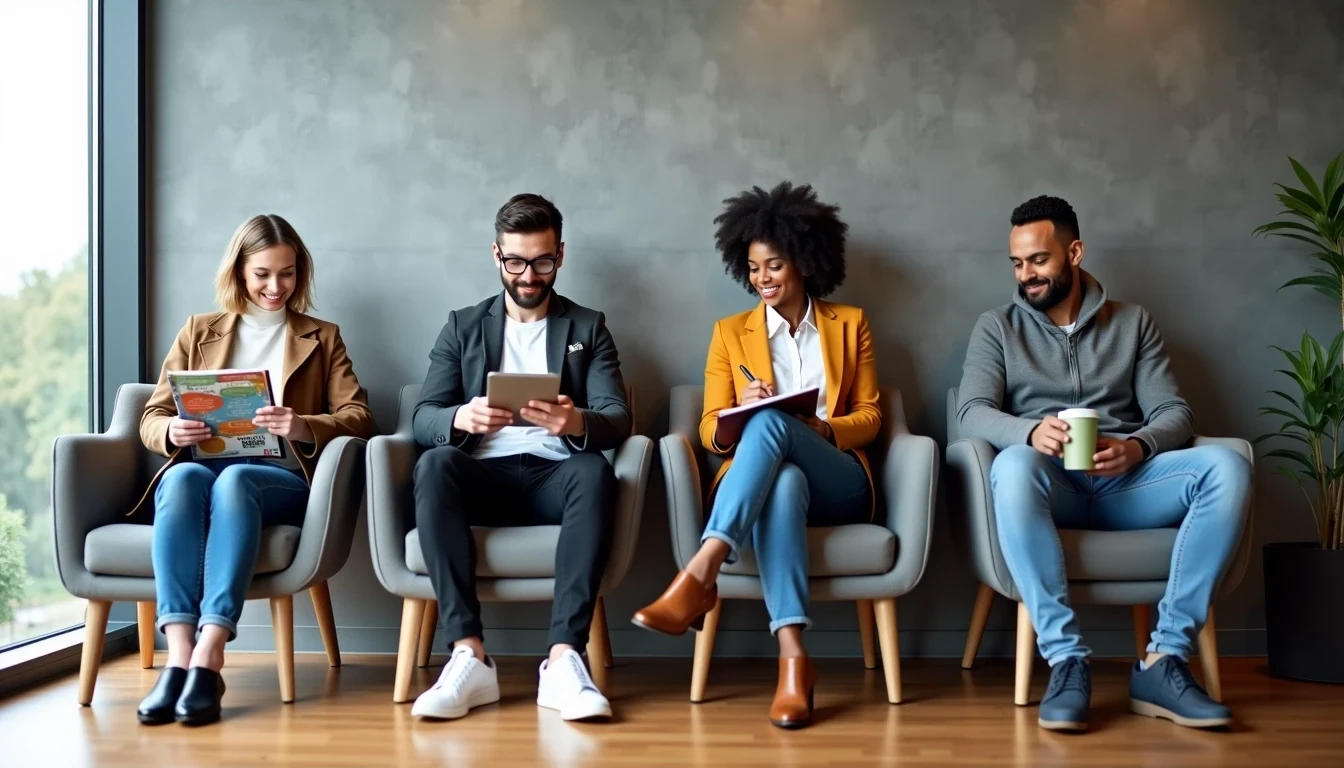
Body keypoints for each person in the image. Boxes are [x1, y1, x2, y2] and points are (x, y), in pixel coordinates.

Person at [956, 195, 1252, 732]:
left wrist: (1137, 446)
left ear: (1074, 252)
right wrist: (1029, 432)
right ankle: (1066, 661)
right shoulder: (997, 327)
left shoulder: (1133, 323)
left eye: (1039, 260)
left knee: (1227, 467)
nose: (1027, 275)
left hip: (1127, 485)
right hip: (1050, 485)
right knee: (1014, 467)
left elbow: (1173, 411)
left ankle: (1164, 660)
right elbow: (971, 411)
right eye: (1018, 264)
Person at [632, 182, 880, 729]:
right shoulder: (729, 334)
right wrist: (734, 413)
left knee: (778, 428)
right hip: (767, 482)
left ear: (806, 263)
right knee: (783, 477)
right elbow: (707, 433)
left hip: (840, 482)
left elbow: (871, 417)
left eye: (774, 266)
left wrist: (821, 427)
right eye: (753, 268)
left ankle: (700, 573)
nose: (762, 279)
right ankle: (794, 661)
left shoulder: (850, 324)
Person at [133, 214, 374, 726]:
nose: (275, 286)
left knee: (239, 480)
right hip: (204, 468)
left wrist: (302, 424)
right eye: (263, 273)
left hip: (280, 478)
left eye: (286, 274)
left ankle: (211, 650)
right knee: (180, 478)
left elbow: (359, 416)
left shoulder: (322, 336)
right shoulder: (199, 331)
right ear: (240, 271)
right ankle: (179, 655)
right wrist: (172, 432)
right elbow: (152, 416)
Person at [409, 193, 630, 723]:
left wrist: (573, 421)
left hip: (556, 474)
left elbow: (618, 416)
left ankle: (563, 660)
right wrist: (462, 418)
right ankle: (468, 653)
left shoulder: (588, 326)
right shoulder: (462, 326)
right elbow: (422, 417)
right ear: (496, 256)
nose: (529, 275)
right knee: (433, 464)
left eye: (543, 260)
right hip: (481, 473)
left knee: (594, 470)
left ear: (561, 254)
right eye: (516, 261)